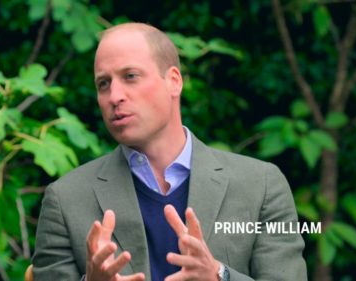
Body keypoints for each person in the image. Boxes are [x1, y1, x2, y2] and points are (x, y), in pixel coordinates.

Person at [32, 23, 307, 281]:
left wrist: (218, 275)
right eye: (103, 83)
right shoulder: (65, 200)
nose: (114, 96)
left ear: (174, 81)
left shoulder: (261, 185)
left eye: (130, 76)